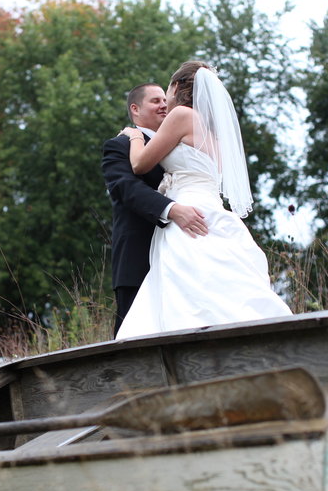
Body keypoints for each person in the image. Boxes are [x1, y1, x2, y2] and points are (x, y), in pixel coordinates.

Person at [115, 61, 292, 339]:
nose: (165, 101)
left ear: (176, 87)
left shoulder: (181, 116)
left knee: (187, 289)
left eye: (167, 91)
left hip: (187, 210)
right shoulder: (215, 129)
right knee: (220, 287)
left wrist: (135, 135)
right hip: (212, 207)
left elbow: (138, 165)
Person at [101, 82, 208, 336]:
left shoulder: (182, 141)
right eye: (155, 101)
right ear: (135, 109)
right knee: (136, 337)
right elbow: (126, 188)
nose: (163, 105)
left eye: (164, 99)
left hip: (185, 252)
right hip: (139, 256)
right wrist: (171, 209)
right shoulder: (119, 146)